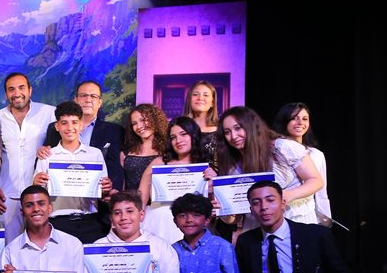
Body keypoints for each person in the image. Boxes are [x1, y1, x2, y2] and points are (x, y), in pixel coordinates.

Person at [218, 106, 322, 230]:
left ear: (251, 126)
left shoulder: (282, 147)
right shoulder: (234, 168)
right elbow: (236, 218)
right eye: (227, 132)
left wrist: (287, 195)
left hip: (296, 220)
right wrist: (222, 208)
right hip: (259, 229)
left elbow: (316, 180)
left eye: (238, 128)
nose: (233, 136)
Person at [32, 101, 114, 244]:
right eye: (64, 123)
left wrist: (106, 189)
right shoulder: (47, 156)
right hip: (58, 222)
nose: (70, 128)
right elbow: (38, 194)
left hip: (90, 222)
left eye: (74, 122)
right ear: (57, 126)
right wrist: (36, 184)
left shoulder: (95, 154)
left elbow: (102, 192)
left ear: (81, 125)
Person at [0, 73, 56, 243]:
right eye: (11, 89)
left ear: (30, 90)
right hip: (8, 195)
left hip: (40, 192)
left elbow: (64, 144)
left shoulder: (49, 113)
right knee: (11, 245)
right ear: (6, 94)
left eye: (21, 88)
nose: (17, 93)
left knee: (42, 243)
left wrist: (49, 147)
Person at [138, 115, 216, 248]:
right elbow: (140, 199)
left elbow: (213, 209)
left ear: (194, 135)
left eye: (183, 134)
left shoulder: (205, 169)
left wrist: (214, 185)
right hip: (157, 223)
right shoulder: (158, 163)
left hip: (190, 225)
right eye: (173, 137)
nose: (178, 140)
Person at [40, 80, 126, 192]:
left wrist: (114, 190)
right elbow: (47, 153)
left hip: (99, 196)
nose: (88, 100)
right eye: (83, 95)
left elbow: (115, 165)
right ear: (76, 99)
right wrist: (41, 151)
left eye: (93, 96)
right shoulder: (55, 128)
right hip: (60, 195)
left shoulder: (114, 130)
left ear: (100, 102)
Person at [272, 102, 332, 228]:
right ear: (284, 121)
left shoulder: (316, 154)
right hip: (281, 215)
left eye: (305, 119)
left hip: (307, 216)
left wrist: (324, 222)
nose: (300, 122)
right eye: (294, 118)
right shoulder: (276, 150)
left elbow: (321, 194)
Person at [183, 80, 222, 164]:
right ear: (189, 100)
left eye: (206, 95)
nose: (200, 98)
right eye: (195, 94)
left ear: (212, 103)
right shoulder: (179, 128)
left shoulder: (222, 130)